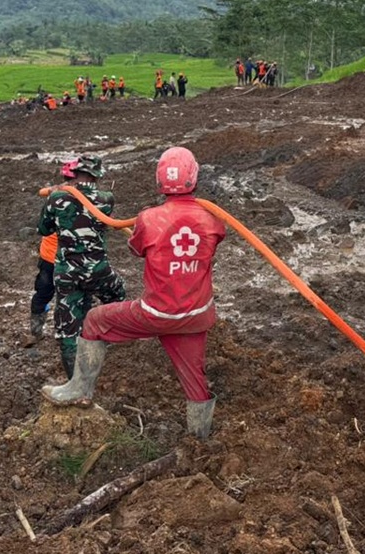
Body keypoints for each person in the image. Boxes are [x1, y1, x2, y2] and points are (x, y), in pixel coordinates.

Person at [43, 147, 227, 439]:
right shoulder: (213, 219)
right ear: (194, 177)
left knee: (94, 320)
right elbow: (212, 241)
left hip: (156, 313)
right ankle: (199, 438)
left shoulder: (149, 218)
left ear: (159, 180)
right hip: (196, 315)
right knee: (195, 380)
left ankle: (80, 389)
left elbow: (136, 248)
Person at [36, 155, 127, 379]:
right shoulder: (106, 199)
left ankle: (75, 382)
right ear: (97, 176)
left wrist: (56, 196)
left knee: (67, 329)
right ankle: (105, 334)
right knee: (117, 295)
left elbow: (44, 229)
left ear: (75, 173)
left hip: (67, 273)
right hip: (98, 271)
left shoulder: (57, 198)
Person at [30, 232, 59, 338]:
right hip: (72, 259)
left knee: (43, 293)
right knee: (72, 296)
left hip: (50, 256)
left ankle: (36, 331)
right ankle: (66, 333)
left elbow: (43, 228)